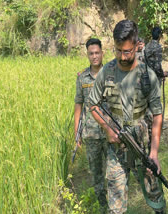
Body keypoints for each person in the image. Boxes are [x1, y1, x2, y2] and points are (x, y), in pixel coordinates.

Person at [88, 19, 166, 214]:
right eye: (118, 50)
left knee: (155, 197)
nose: (122, 56)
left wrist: (154, 153)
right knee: (115, 207)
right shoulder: (107, 72)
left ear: (136, 45)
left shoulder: (148, 75)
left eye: (127, 51)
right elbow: (93, 105)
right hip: (116, 148)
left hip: (143, 145)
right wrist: (107, 128)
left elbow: (157, 114)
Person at [74, 38, 107, 210]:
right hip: (91, 134)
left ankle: (117, 207)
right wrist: (76, 133)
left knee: (115, 173)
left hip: (111, 133)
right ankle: (103, 206)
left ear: (102, 53)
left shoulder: (111, 73)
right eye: (91, 53)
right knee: (96, 174)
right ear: (87, 55)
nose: (94, 56)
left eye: (97, 52)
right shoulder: (82, 77)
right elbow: (78, 104)